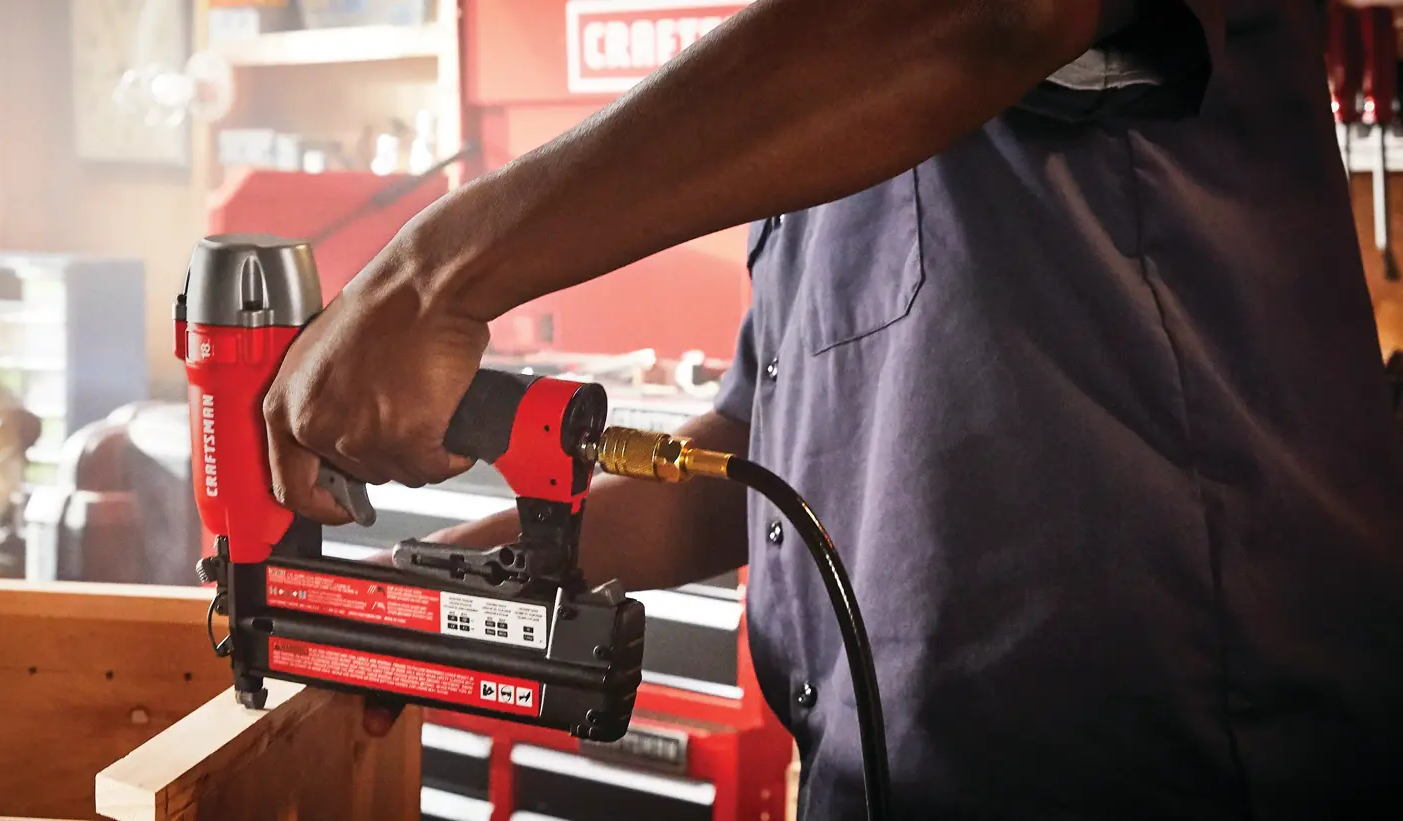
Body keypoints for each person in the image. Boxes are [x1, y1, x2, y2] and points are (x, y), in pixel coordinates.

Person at [260, 0, 1403, 818]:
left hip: (1189, 757)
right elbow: (754, 461)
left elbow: (1003, 13)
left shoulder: (902, 41)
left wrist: (431, 275)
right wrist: (445, 585)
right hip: (894, 773)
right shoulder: (832, 102)